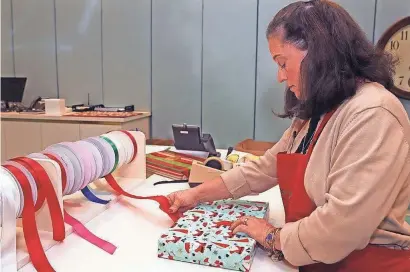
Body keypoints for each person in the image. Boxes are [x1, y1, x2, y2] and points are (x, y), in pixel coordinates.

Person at [167, 0, 410, 271]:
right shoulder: (316, 114)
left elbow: (341, 227)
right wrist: (196, 195)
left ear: (319, 53)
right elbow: (261, 170)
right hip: (316, 256)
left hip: (366, 262)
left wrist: (271, 236)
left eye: (283, 63)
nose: (280, 76)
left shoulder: (373, 112)